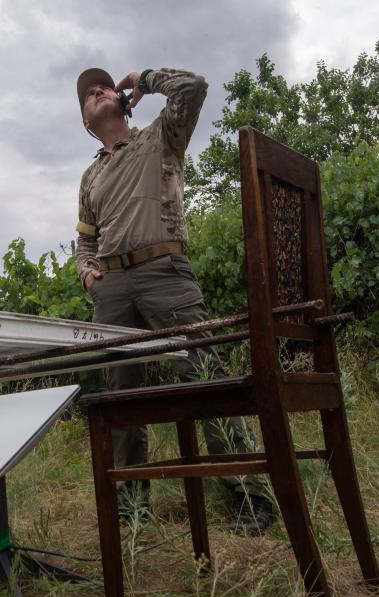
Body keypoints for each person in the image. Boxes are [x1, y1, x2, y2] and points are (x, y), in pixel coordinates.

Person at [74, 66, 276, 535]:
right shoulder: (89, 176)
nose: (97, 90)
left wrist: (143, 79)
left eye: (103, 86)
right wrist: (87, 270)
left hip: (165, 269)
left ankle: (248, 493)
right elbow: (84, 239)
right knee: (120, 391)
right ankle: (131, 503)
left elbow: (193, 87)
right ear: (86, 121)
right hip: (113, 287)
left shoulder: (160, 135)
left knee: (204, 374)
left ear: (123, 101)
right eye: (87, 94)